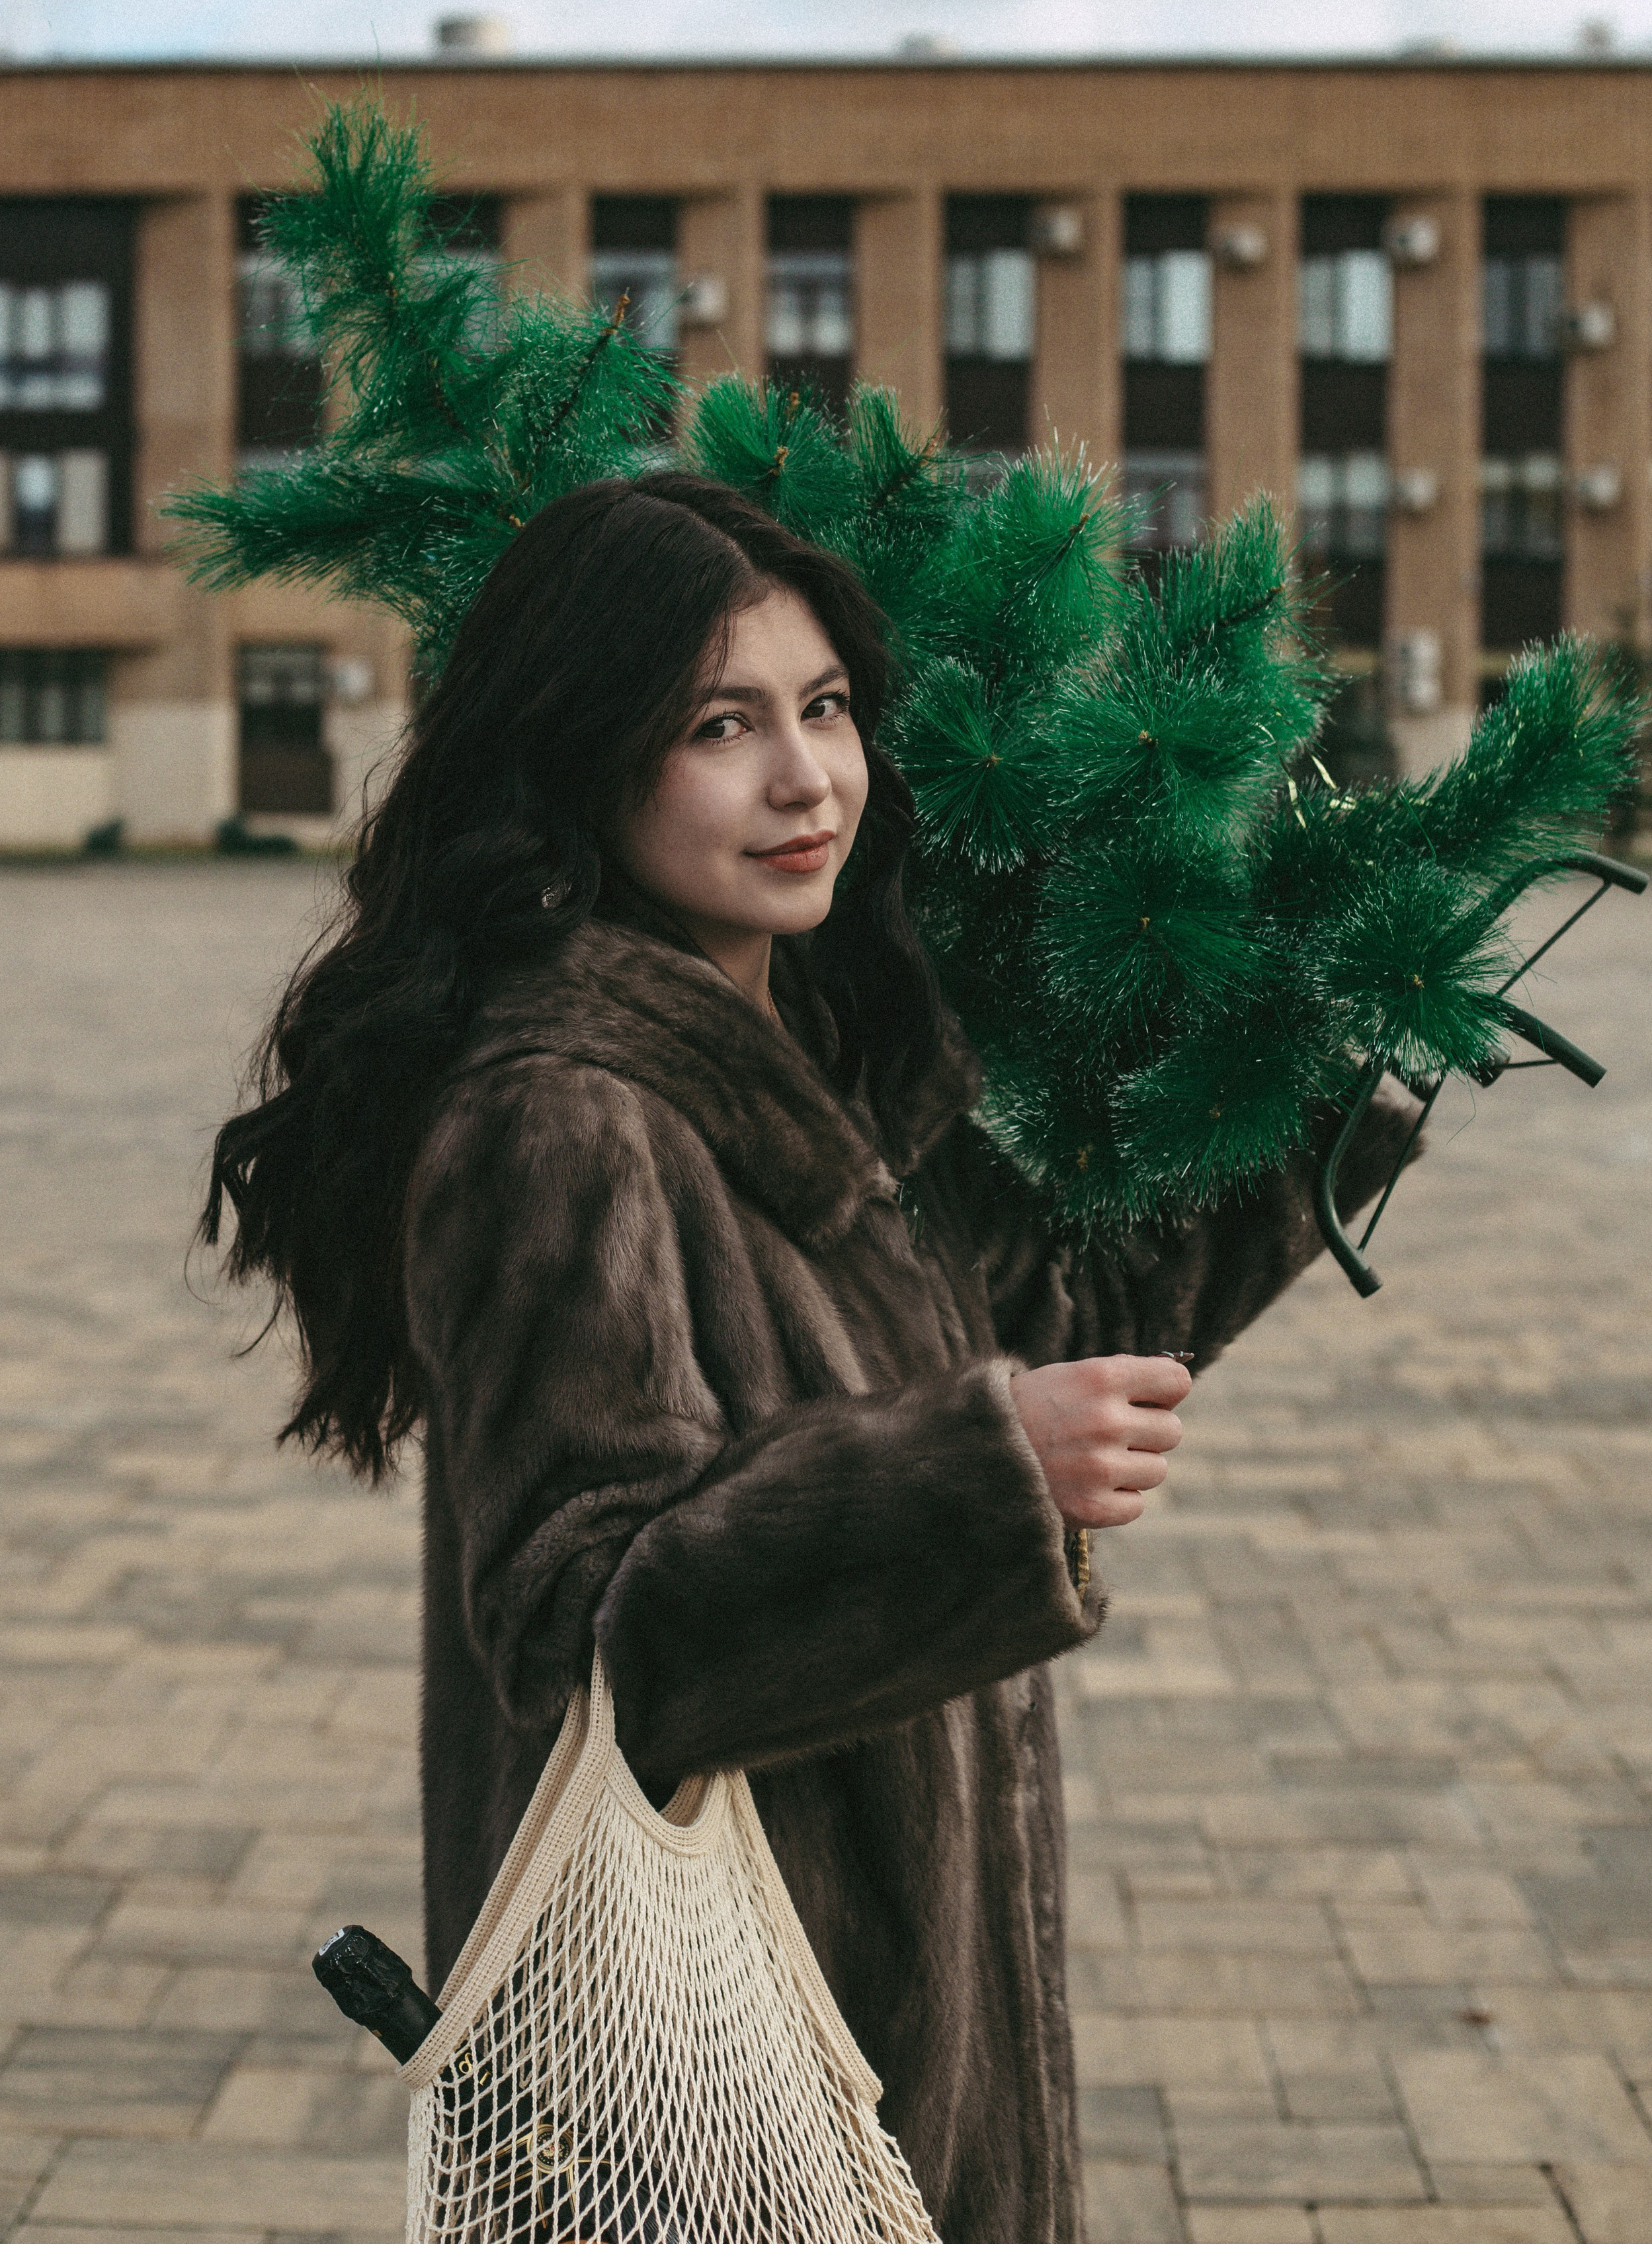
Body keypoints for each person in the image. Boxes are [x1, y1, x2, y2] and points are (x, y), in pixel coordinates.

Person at [206, 474, 1408, 2244]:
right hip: (715, 2080)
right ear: (585, 757)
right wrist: (980, 1473)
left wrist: (1319, 1105)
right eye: (723, 726)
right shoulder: (563, 1118)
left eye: (827, 708)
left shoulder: (823, 1050)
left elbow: (1039, 1348)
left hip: (905, 2026)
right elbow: (583, 1626)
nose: (807, 778)